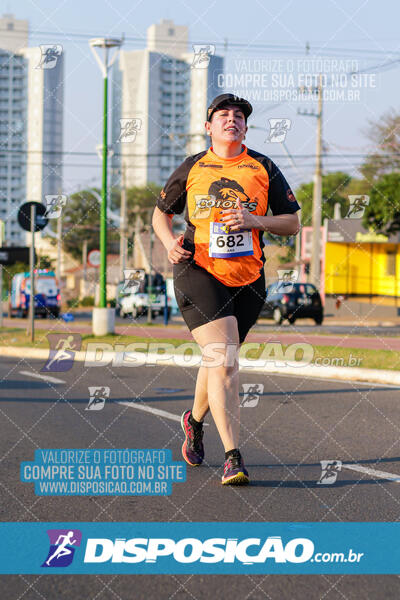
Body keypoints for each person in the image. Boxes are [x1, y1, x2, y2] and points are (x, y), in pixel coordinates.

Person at [152, 93, 300, 485]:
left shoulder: (263, 167)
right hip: (198, 270)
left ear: (246, 128)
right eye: (223, 115)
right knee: (226, 359)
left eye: (238, 116)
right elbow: (160, 214)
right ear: (209, 126)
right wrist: (168, 243)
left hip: (249, 277)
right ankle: (233, 456)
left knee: (217, 359)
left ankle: (194, 422)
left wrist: (255, 219)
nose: (231, 120)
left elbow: (293, 223)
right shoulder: (194, 167)